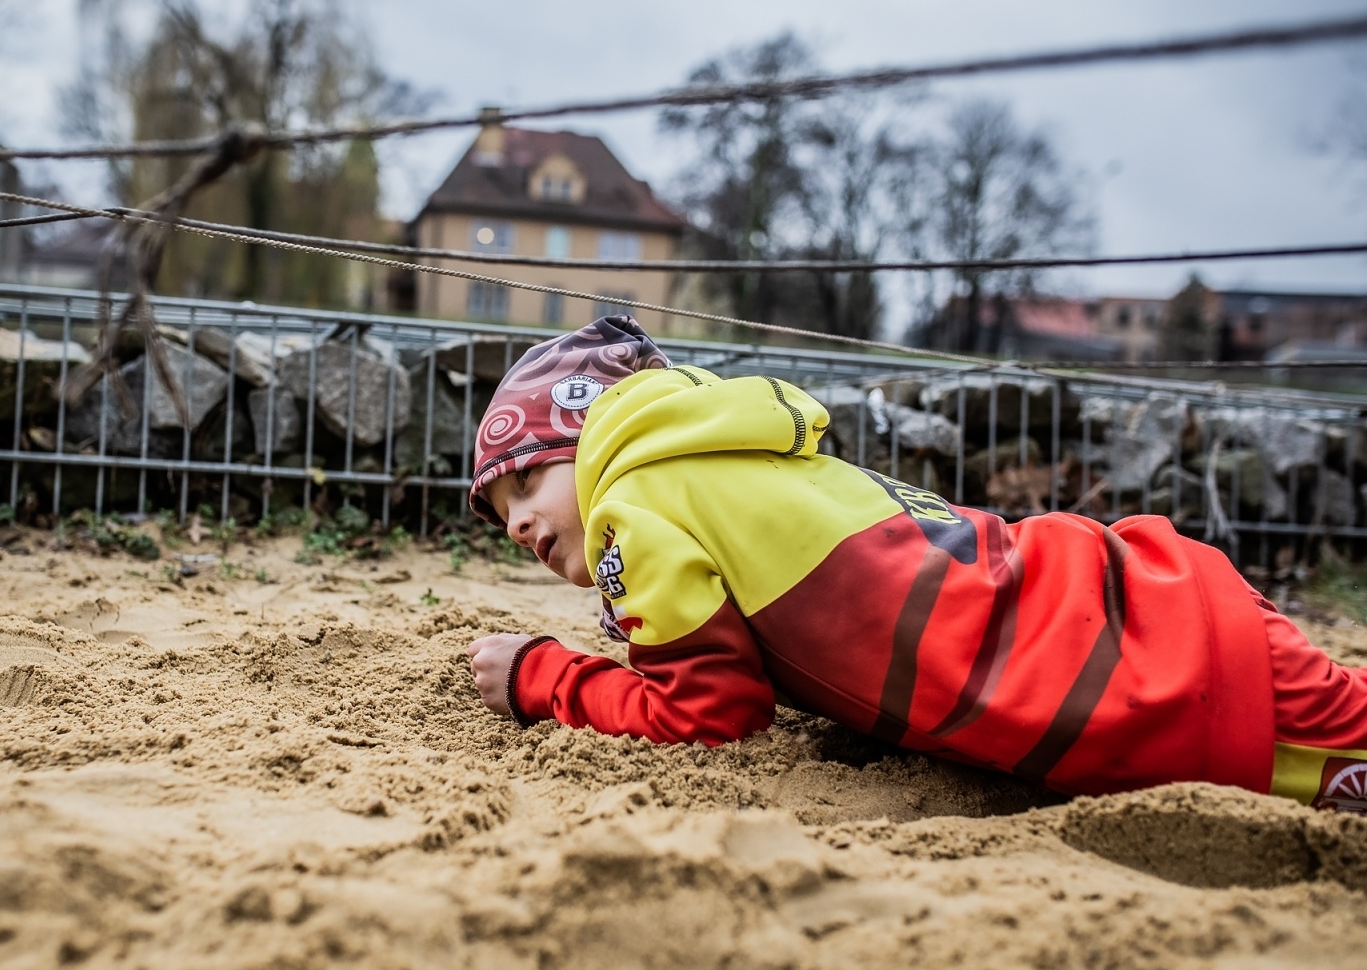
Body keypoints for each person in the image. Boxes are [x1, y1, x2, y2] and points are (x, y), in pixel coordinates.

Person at [464, 317, 1367, 811]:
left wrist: (543, 675)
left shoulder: (632, 503)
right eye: (500, 514)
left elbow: (710, 715)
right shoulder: (728, 454)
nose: (515, 524)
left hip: (1150, 676)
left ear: (591, 438)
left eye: (526, 482)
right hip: (1125, 595)